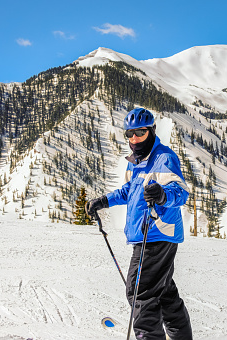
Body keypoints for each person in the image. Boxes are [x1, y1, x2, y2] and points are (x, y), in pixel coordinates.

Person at [86, 107, 193, 340]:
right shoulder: (136, 161)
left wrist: (163, 195)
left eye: (140, 133)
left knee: (140, 294)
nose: (134, 139)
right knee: (164, 295)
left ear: (151, 131)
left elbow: (181, 193)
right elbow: (129, 191)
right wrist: (104, 201)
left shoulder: (164, 158)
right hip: (151, 235)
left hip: (156, 234)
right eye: (130, 134)